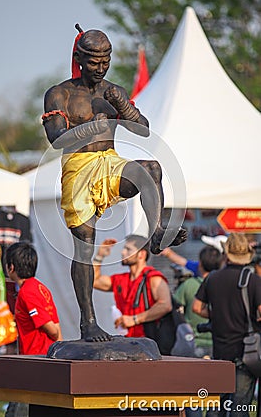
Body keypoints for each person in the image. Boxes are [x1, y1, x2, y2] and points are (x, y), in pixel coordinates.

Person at [42, 26, 187, 342]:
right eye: (94, 61)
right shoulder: (60, 94)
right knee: (84, 248)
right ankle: (88, 322)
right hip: (78, 169)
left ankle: (158, 230)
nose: (100, 67)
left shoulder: (113, 91)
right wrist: (86, 129)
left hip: (110, 160)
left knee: (150, 168)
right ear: (79, 58)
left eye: (105, 60)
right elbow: (56, 139)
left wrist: (123, 106)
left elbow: (144, 131)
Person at [193, 233, 261, 417]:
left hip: (220, 353)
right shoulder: (254, 281)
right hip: (246, 354)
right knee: (240, 408)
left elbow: (197, 307)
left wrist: (219, 315)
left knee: (217, 407)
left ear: (226, 253)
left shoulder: (212, 278)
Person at [92, 235, 172, 337]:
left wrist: (135, 319)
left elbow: (165, 305)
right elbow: (94, 281)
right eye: (124, 248)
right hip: (129, 341)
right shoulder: (121, 279)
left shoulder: (154, 278)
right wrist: (99, 256)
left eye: (128, 249)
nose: (123, 252)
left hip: (150, 343)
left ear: (141, 254)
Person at [5, 242, 62, 355]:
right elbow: (57, 328)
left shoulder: (27, 292)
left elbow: (53, 331)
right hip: (47, 356)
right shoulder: (41, 287)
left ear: (11, 267)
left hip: (36, 357)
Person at [173, 246, 222, 359]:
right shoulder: (225, 285)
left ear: (200, 264)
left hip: (193, 343)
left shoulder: (189, 284)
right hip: (218, 343)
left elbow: (175, 307)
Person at [161, 235, 227, 277]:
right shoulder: (230, 273)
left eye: (210, 247)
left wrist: (168, 253)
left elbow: (184, 262)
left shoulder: (202, 268)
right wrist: (168, 253)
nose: (206, 249)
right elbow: (185, 263)